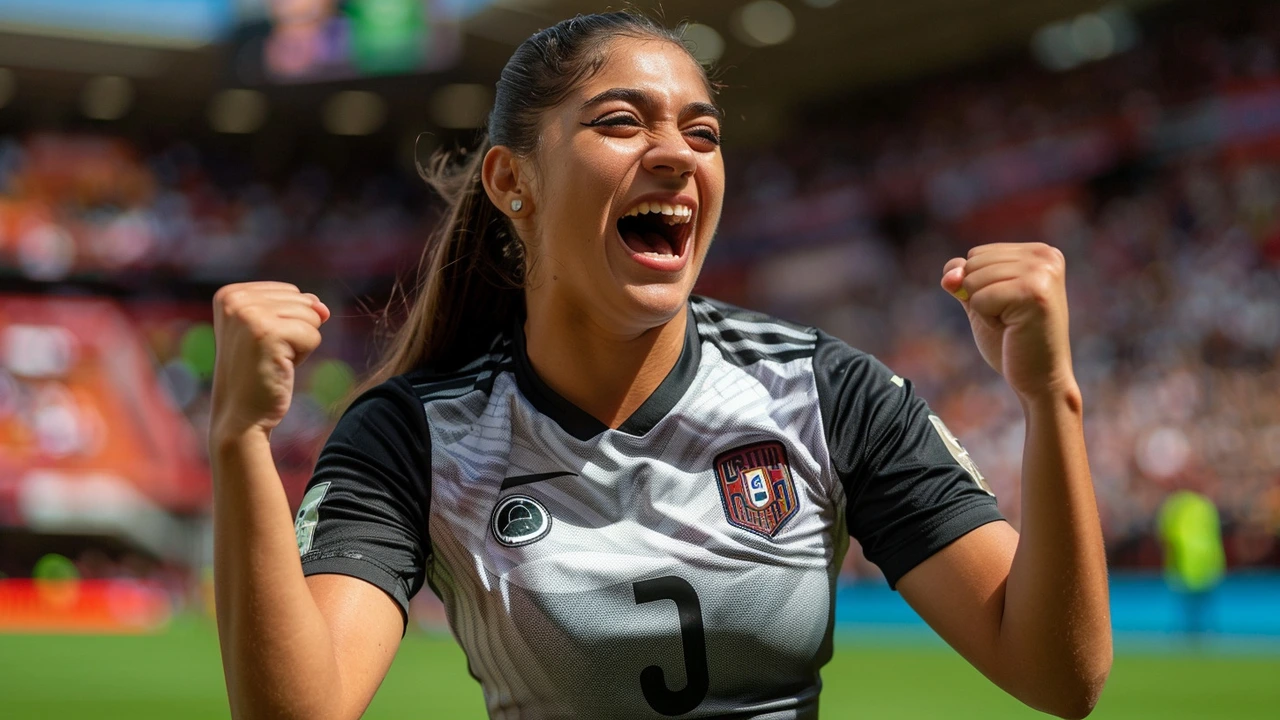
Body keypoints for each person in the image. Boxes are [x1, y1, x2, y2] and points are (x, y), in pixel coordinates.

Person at [209, 12, 1112, 720]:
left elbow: (1058, 676)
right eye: (619, 122)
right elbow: (301, 708)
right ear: (511, 182)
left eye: (704, 132)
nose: (678, 154)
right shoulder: (414, 436)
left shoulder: (826, 392)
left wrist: (1050, 399)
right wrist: (242, 440)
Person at [1157, 489, 1226, 640]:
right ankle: (1204, 631)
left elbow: (1167, 538)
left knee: (1188, 605)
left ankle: (1190, 632)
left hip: (1186, 565)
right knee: (1203, 604)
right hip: (1208, 563)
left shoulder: (1176, 508)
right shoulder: (1206, 507)